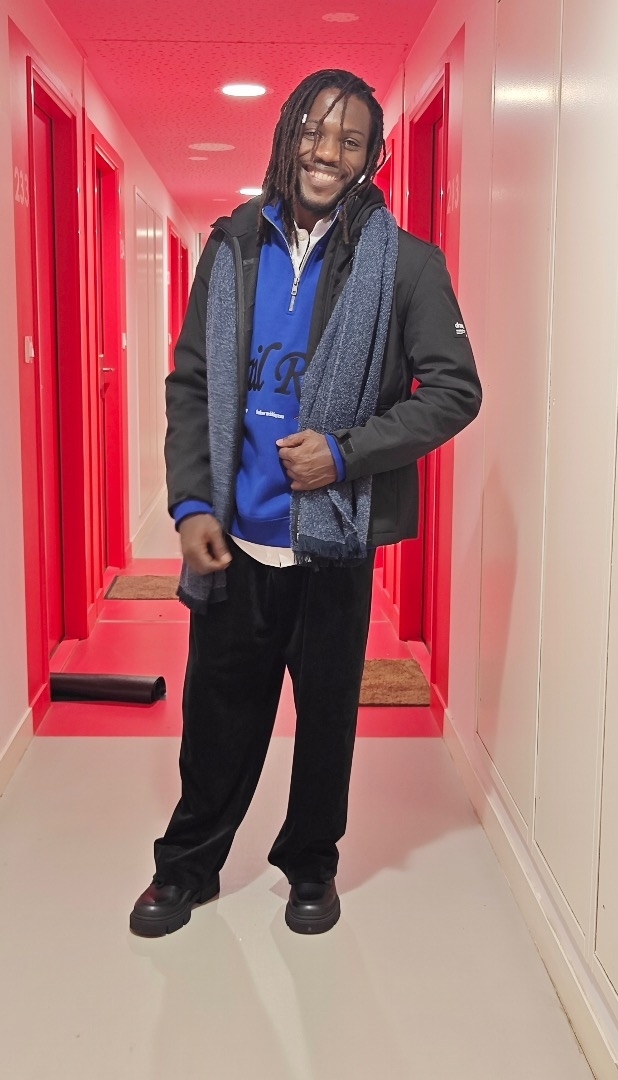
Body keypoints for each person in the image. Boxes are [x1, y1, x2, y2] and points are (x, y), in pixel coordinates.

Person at [130, 68, 481, 938]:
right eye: (315, 133)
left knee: (326, 722)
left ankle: (311, 866)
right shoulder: (232, 247)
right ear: (287, 137)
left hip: (332, 548)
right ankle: (186, 867)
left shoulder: (406, 265)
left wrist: (346, 452)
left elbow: (454, 391)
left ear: (370, 157)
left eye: (350, 140)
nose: (328, 153)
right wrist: (192, 504)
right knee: (216, 718)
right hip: (237, 538)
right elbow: (192, 385)